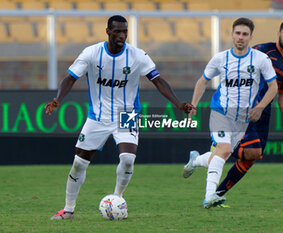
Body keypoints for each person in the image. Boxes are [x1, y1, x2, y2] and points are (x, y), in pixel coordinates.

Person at [46, 15, 194, 220]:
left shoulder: (137, 55)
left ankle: (115, 201)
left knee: (127, 159)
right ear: (108, 31)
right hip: (97, 116)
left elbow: (158, 81)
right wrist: (58, 99)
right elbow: (70, 78)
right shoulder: (91, 53)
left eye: (125, 31)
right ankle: (68, 209)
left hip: (127, 114)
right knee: (79, 163)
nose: (122, 35)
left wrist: (178, 104)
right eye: (117, 31)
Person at [183, 20, 283, 207]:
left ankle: (196, 161)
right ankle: (210, 196)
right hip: (222, 111)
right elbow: (203, 80)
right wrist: (194, 104)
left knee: (248, 154)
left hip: (252, 114)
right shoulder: (259, 52)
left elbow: (278, 91)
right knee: (225, 150)